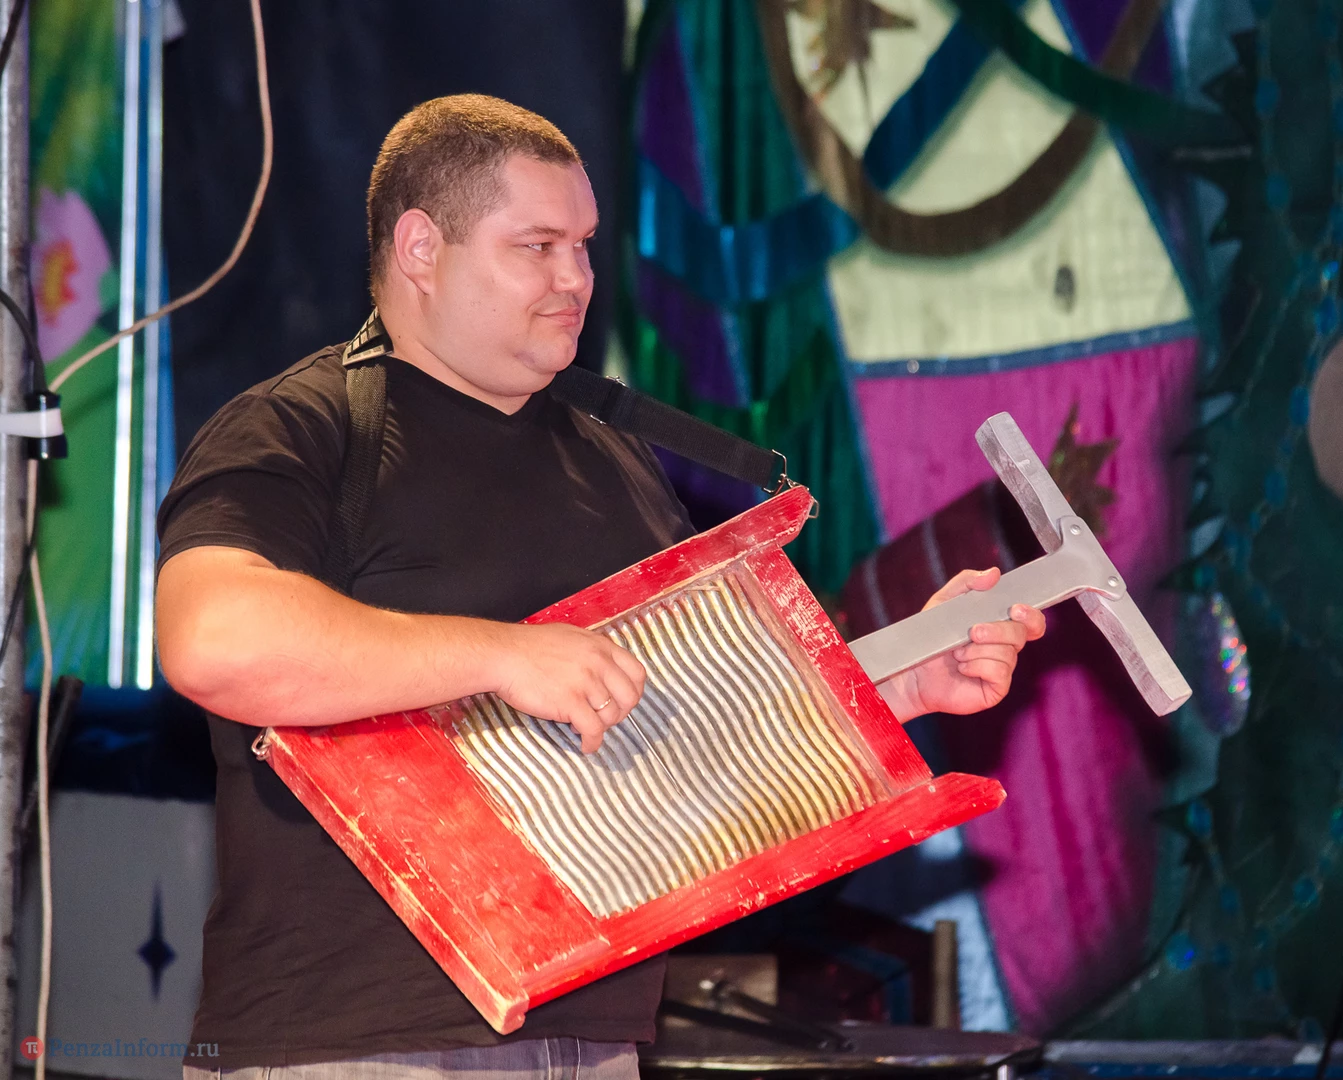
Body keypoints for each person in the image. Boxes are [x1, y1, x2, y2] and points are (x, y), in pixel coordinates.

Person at [156, 94, 1046, 1080]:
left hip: (595, 1043)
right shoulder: (306, 425)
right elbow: (214, 640)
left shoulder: (616, 456)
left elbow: (676, 733)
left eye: (583, 245)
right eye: (536, 246)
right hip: (351, 1047)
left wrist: (895, 683)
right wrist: (504, 655)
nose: (575, 278)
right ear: (420, 248)